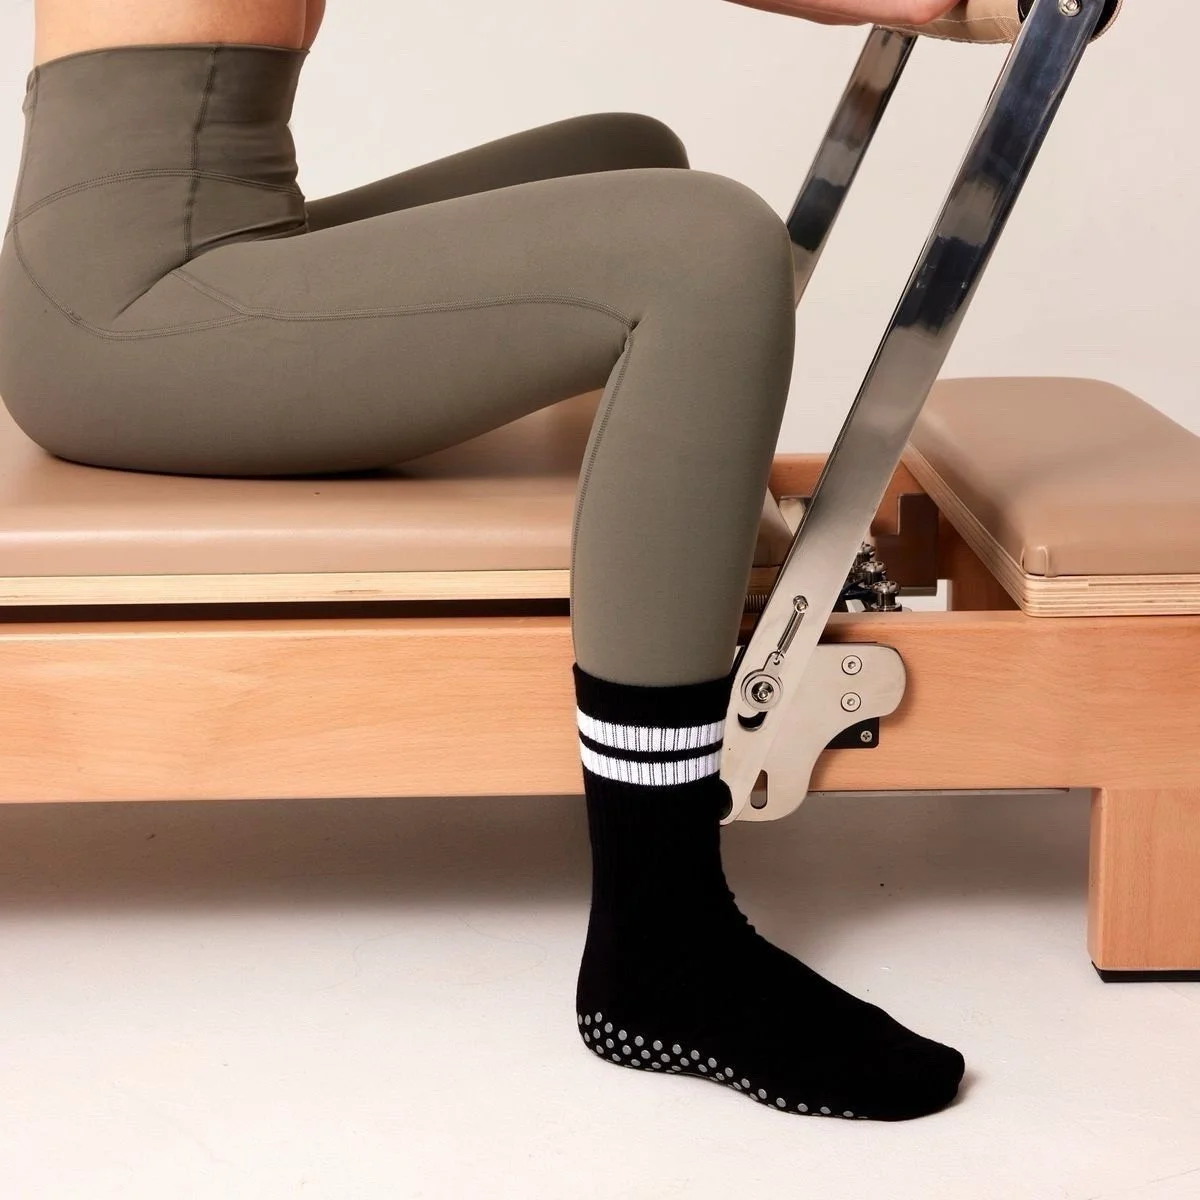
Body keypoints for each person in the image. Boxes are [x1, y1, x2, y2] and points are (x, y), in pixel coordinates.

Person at [0, 0, 964, 1121]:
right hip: (125, 316)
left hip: (195, 248)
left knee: (628, 156)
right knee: (703, 249)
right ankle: (664, 942)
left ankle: (647, 551)